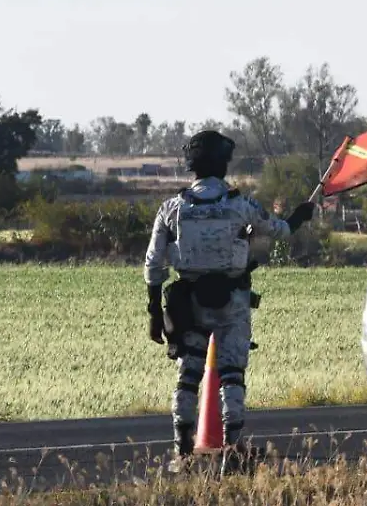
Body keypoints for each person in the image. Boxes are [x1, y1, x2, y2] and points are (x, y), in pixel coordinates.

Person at [143, 131, 314, 477]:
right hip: (232, 303)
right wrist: (301, 215)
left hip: (188, 304)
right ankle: (232, 454)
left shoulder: (171, 208)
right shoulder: (241, 205)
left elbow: (153, 264)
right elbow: (280, 230)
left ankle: (182, 453)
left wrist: (153, 313)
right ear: (222, 163)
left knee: (188, 376)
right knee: (232, 377)